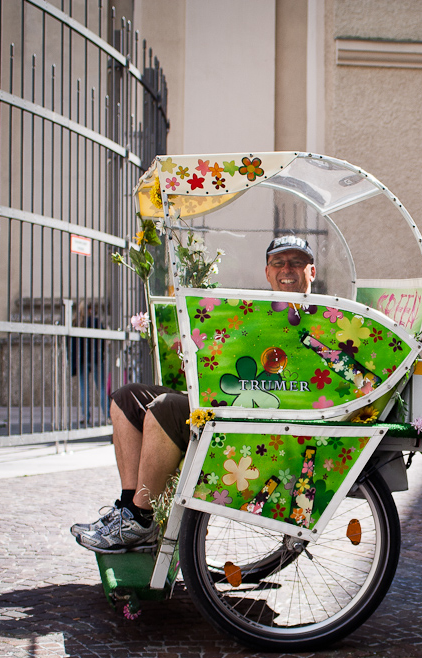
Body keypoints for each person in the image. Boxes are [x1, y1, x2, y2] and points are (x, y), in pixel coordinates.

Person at [71, 235, 317, 553]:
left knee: (165, 407)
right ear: (267, 272)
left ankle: (141, 518)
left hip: (260, 426)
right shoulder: (256, 313)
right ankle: (129, 512)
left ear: (311, 270)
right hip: (229, 408)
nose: (288, 269)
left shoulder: (320, 317)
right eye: (279, 263)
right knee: (127, 397)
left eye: (297, 262)